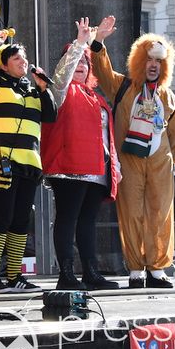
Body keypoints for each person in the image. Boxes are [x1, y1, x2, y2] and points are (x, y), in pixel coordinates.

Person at [90, 15, 175, 289]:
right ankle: (137, 269)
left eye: (158, 61)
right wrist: (99, 41)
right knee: (131, 213)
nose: (153, 65)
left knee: (160, 214)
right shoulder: (123, 86)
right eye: (149, 59)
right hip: (129, 160)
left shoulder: (167, 96)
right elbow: (102, 70)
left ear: (164, 66)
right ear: (140, 61)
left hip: (160, 162)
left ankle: (157, 268)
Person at [0, 29, 56, 293]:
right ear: (3, 64)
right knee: (2, 217)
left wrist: (43, 88)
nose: (23, 62)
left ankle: (14, 276)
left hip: (28, 163)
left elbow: (51, 116)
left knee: (21, 220)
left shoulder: (32, 90)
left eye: (24, 58)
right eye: (17, 58)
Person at [41, 18, 120, 291]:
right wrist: (79, 44)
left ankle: (91, 272)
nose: (81, 65)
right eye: (77, 61)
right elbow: (62, 75)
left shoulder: (96, 97)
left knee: (87, 222)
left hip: (97, 170)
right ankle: (66, 274)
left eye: (86, 61)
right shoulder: (60, 91)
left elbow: (107, 137)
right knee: (67, 218)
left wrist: (115, 168)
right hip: (69, 167)